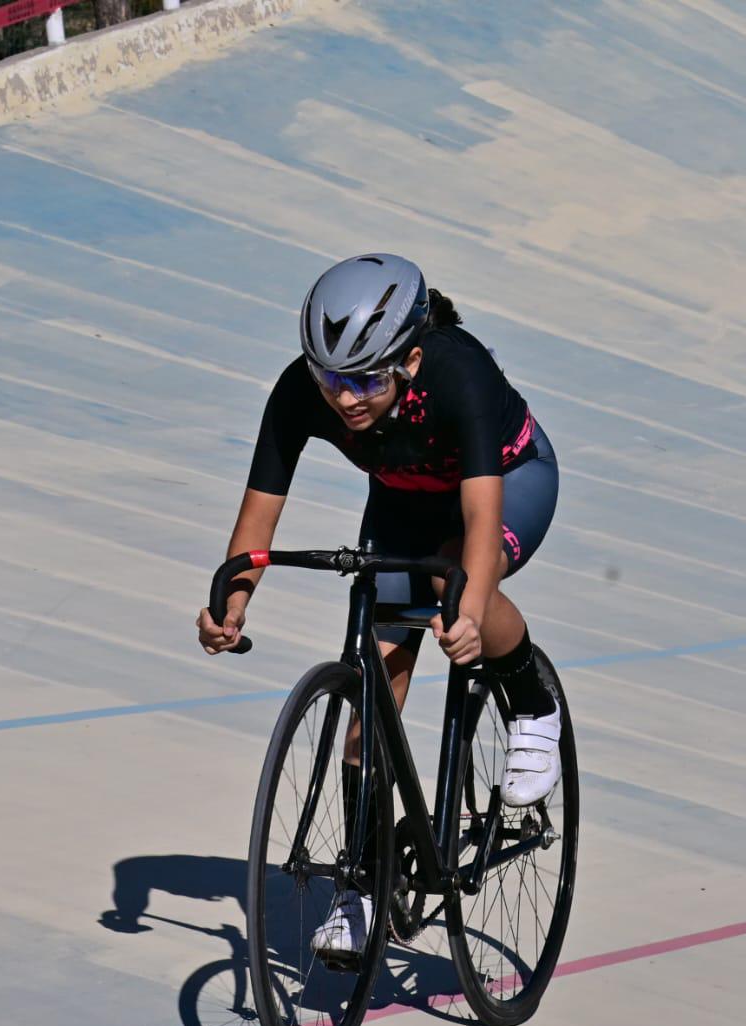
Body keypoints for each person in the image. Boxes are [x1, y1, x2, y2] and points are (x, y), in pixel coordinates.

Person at [195, 253, 562, 961]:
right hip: (403, 503)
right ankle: (362, 887)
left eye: (366, 379)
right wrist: (231, 601)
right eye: (332, 380)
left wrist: (467, 609)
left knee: (453, 582)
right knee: (372, 703)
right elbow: (257, 520)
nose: (347, 398)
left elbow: (482, 521)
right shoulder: (301, 392)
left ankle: (530, 698)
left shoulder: (461, 375)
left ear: (411, 359)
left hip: (512, 479)